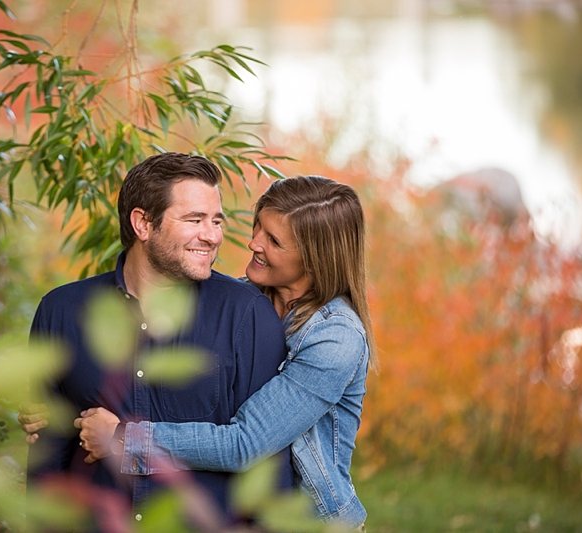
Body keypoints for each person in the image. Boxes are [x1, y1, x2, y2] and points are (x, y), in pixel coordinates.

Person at [69, 175, 378, 531]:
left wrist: (125, 437)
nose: (253, 243)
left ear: (315, 257)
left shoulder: (335, 338)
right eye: (257, 227)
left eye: (273, 240)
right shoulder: (241, 301)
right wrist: (60, 408)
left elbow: (246, 442)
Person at [25, 152, 291, 531]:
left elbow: (268, 466)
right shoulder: (62, 311)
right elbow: (47, 457)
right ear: (143, 223)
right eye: (194, 220)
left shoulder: (246, 315)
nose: (213, 235)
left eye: (216, 221)